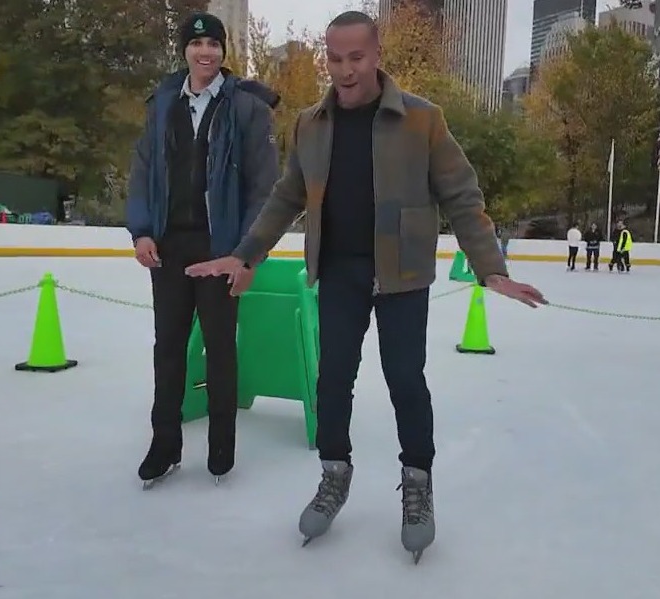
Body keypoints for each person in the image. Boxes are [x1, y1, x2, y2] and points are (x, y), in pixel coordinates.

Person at [183, 10, 547, 561]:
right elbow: (286, 197)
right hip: (340, 272)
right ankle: (335, 472)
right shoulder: (311, 123)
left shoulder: (422, 120)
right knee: (333, 380)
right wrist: (245, 253)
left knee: (406, 381)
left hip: (402, 274)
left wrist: (490, 266)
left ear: (376, 55)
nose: (346, 69)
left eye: (356, 57)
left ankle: (418, 483)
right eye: (335, 58)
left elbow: (461, 195)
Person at [125, 12, 281, 488]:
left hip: (221, 248)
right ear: (185, 51)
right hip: (169, 246)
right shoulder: (163, 103)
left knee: (220, 349)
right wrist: (142, 231)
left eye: (213, 44)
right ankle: (164, 445)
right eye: (197, 45)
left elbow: (265, 189)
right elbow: (143, 170)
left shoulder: (247, 108)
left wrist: (248, 254)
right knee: (168, 349)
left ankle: (221, 447)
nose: (205, 52)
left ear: (223, 51)